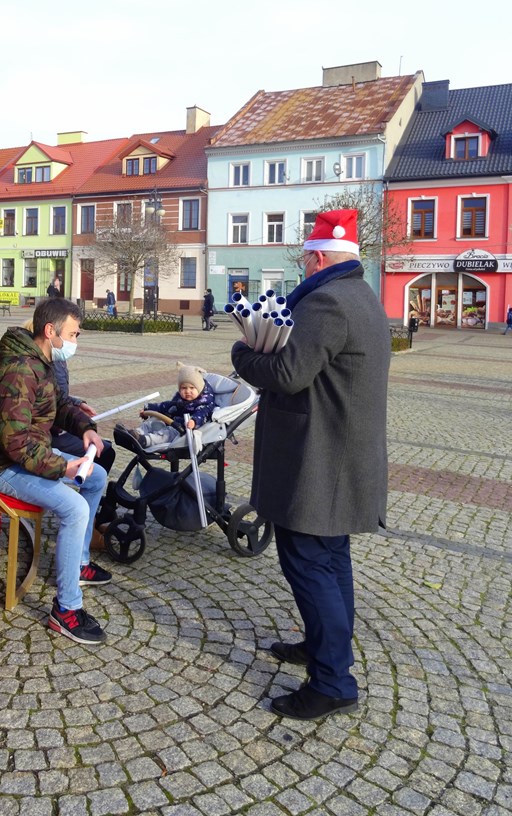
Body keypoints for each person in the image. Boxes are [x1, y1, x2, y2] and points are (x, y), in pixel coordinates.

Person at [231, 209, 390, 721]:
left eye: (305, 257)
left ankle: (332, 682)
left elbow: (287, 371)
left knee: (308, 563)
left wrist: (241, 354)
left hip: (320, 460)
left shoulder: (325, 301)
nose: (303, 266)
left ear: (320, 257)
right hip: (338, 453)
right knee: (331, 559)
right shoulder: (361, 295)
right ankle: (324, 650)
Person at [0, 298, 113, 645]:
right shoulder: (19, 371)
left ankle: (77, 563)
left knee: (96, 477)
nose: (75, 341)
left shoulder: (41, 361)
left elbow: (58, 404)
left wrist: (86, 428)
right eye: (72, 333)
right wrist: (62, 466)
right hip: (1, 466)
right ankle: (65, 610)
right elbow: (14, 442)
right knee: (74, 507)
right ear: (50, 332)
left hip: (26, 454)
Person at [119, 364, 215, 449]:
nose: (187, 391)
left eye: (192, 388)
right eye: (184, 388)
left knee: (166, 434)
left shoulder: (204, 403)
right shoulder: (179, 400)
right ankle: (136, 433)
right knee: (153, 420)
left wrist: (194, 421)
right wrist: (148, 408)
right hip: (172, 422)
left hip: (182, 430)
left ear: (199, 388)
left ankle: (145, 440)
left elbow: (202, 413)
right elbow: (166, 406)